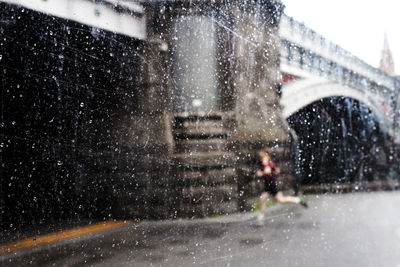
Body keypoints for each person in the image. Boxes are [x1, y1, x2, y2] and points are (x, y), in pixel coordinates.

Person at [256, 147, 307, 224]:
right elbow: (259, 173)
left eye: (261, 153)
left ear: (265, 153)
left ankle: (297, 200)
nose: (260, 154)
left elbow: (277, 171)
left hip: (271, 184)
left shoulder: (270, 161)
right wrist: (264, 172)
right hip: (267, 183)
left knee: (280, 200)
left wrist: (271, 171)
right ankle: (261, 217)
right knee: (264, 199)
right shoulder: (262, 162)